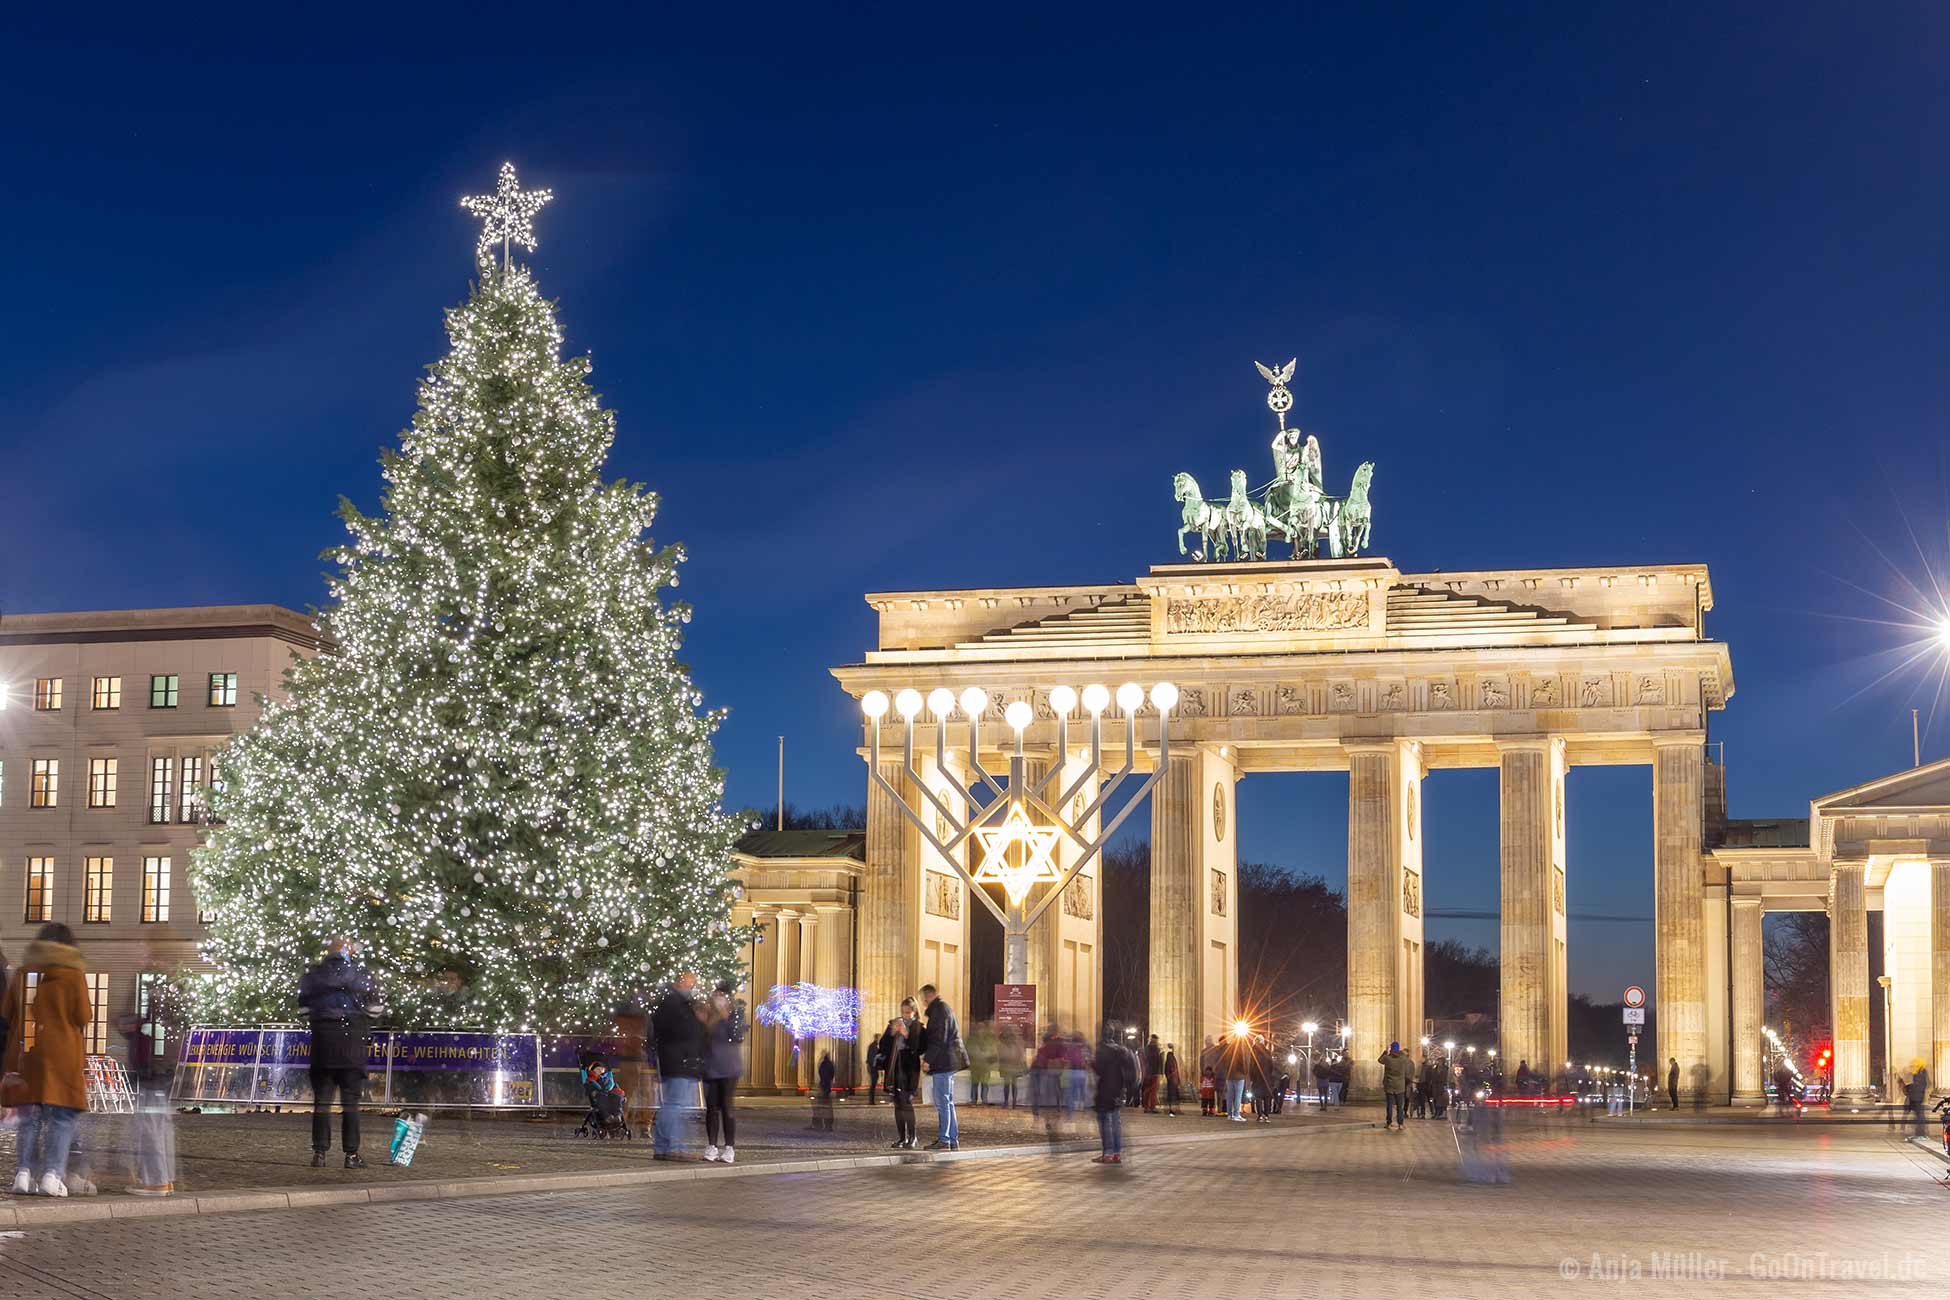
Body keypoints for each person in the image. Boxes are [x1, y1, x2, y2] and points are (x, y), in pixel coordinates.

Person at [3, 924, 91, 1197]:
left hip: (28, 1054)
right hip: (62, 1056)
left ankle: (23, 1173)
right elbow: (83, 1016)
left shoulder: (24, 974)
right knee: (62, 1118)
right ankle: (52, 1174)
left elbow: (7, 1012)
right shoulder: (73, 975)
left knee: (29, 1118)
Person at [298, 936, 376, 1170]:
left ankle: (319, 1153)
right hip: (351, 1046)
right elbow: (375, 1009)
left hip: (323, 1045)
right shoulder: (361, 975)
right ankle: (351, 1154)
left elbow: (303, 1009)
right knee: (350, 1103)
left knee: (322, 1102)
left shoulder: (313, 976)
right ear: (348, 951)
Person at [117, 1008, 178, 1195]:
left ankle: (157, 1180)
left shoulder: (147, 1030)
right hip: (160, 1076)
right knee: (160, 1129)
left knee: (151, 1130)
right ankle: (164, 1179)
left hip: (151, 1077)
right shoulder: (163, 1026)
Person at [650, 972, 705, 1159]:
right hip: (677, 1061)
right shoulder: (675, 1004)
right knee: (674, 1105)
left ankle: (664, 1147)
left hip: (677, 1060)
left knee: (674, 1105)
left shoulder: (676, 1003)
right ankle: (672, 1147)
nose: (692, 985)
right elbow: (682, 1033)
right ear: (680, 982)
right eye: (690, 981)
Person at [699, 980, 744, 1164]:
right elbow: (701, 1039)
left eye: (721, 995)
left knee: (727, 1107)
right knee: (711, 1108)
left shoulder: (734, 1014)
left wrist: (727, 1017)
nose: (718, 998)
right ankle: (711, 1146)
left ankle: (729, 1148)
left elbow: (738, 1035)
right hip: (710, 1067)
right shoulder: (706, 1015)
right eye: (715, 994)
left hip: (729, 1067)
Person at [917, 983, 963, 1150]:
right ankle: (952, 1139)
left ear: (928, 996)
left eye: (923, 999)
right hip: (948, 1062)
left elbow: (938, 1038)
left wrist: (928, 1059)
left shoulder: (939, 1011)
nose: (923, 1003)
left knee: (942, 1102)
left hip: (943, 1063)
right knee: (947, 1102)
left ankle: (945, 1139)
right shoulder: (945, 1009)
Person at [1092, 1026, 1136, 1164]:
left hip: (1106, 1089)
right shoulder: (1122, 1050)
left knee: (1105, 1121)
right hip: (1118, 1089)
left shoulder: (1102, 1050)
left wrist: (1091, 1063)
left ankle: (1108, 1153)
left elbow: (1099, 1070)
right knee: (1116, 1122)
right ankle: (1117, 1153)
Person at [882, 999, 922, 1149]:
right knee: (897, 1104)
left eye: (908, 1012)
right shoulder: (894, 1024)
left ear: (914, 1012)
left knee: (907, 1103)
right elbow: (883, 1046)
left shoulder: (917, 1027)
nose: (905, 1016)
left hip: (909, 1070)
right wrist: (892, 1033)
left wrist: (906, 1034)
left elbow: (919, 1048)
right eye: (903, 1012)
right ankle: (901, 1138)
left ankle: (913, 1137)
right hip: (894, 1068)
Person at [1378, 1041, 1413, 1131]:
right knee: (1399, 1106)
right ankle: (1400, 1124)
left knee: (1389, 1105)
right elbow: (1408, 1062)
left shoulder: (1387, 1058)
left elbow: (1379, 1060)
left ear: (1391, 1049)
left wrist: (1385, 1051)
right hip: (1400, 1085)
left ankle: (1389, 1123)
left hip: (1389, 1085)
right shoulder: (1403, 1059)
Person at [1141, 1034, 1164, 1113]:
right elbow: (1158, 1062)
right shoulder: (1156, 1049)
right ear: (1155, 1040)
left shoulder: (1146, 1049)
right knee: (1153, 1091)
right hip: (1154, 1073)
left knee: (1147, 1091)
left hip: (1147, 1072)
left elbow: (1144, 1061)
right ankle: (1152, 1107)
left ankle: (1146, 1107)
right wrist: (1160, 1072)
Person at [1163, 1043, 1182, 1117]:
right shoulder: (1170, 1058)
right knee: (1172, 1096)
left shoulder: (1171, 1057)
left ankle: (1173, 1110)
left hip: (1173, 1080)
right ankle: (1172, 1110)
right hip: (1172, 1080)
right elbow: (1170, 1070)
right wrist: (1171, 1078)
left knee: (1173, 1096)